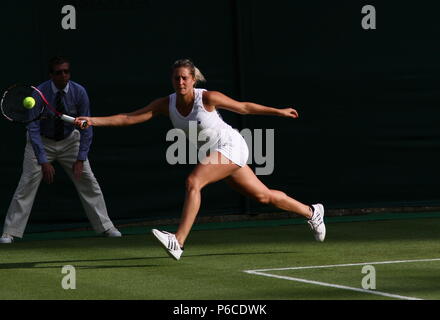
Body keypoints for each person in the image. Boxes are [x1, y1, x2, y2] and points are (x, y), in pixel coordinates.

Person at [74, 58, 325, 260]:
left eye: (185, 77)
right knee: (263, 196)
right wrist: (92, 120)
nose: (181, 81)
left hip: (231, 146)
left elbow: (244, 107)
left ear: (193, 79)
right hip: (216, 154)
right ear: (172, 80)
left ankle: (178, 241)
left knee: (194, 181)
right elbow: (128, 117)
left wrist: (278, 111)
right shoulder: (166, 104)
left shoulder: (207, 98)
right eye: (176, 78)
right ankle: (312, 212)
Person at [0, 56, 121, 244]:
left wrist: (81, 158)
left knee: (89, 181)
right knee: (26, 185)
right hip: (40, 141)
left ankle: (106, 226)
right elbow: (32, 128)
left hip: (69, 141)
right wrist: (43, 160)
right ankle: (10, 231)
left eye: (66, 71)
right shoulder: (39, 93)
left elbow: (86, 126)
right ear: (51, 75)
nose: (63, 75)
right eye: (59, 72)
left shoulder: (79, 92)